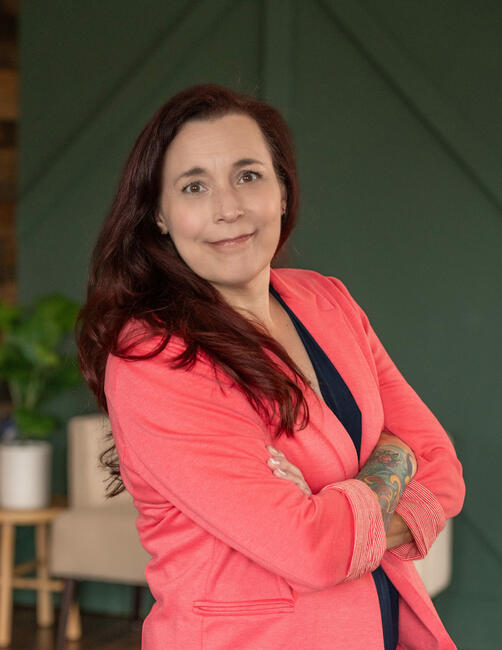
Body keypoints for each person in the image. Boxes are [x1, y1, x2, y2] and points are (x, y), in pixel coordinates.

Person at [77, 83, 465, 649]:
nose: (228, 207)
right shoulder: (154, 357)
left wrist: (334, 505)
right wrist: (392, 461)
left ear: (282, 192)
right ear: (159, 214)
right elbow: (312, 551)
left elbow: (441, 467)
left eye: (248, 175)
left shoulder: (327, 299)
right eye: (194, 186)